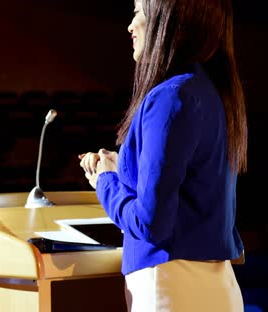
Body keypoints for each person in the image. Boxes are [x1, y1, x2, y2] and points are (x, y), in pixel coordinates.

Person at [78, 0, 248, 311]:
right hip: (215, 286)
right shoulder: (210, 91)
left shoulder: (170, 97)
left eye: (137, 11)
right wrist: (123, 169)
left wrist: (105, 181)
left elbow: (150, 225)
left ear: (165, 21)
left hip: (171, 288)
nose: (130, 25)